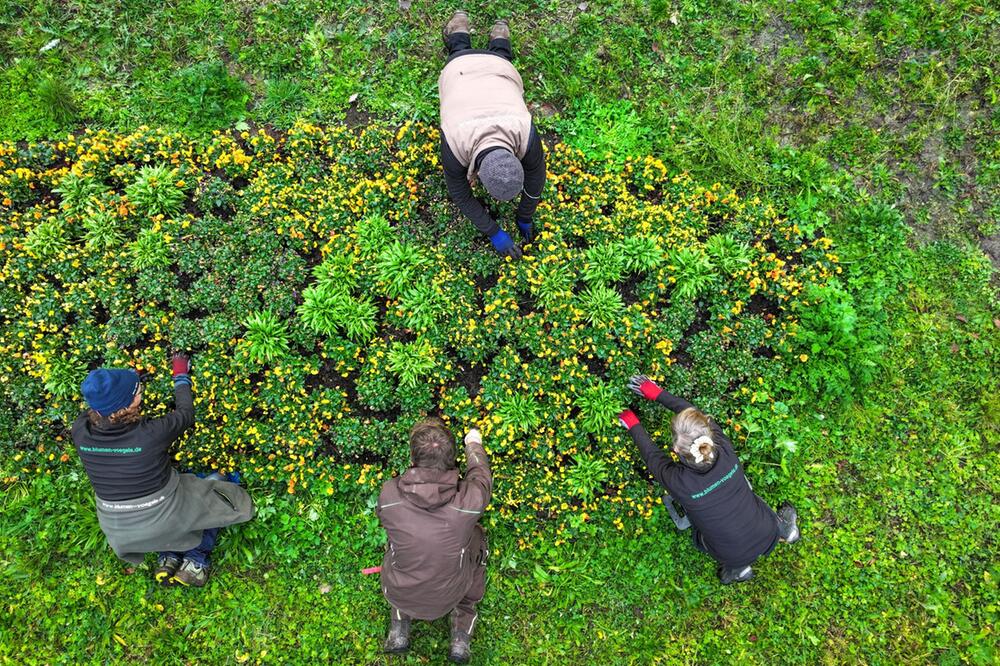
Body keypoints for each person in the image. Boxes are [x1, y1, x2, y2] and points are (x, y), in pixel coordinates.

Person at [71, 353, 254, 587]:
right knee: (219, 484)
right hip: (164, 514)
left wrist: (125, 382)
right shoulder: (150, 434)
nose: (141, 394)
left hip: (120, 528)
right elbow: (185, 415)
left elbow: (102, 403)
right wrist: (180, 375)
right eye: (138, 393)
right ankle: (196, 561)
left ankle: (167, 557)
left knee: (165, 517)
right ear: (126, 406)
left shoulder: (81, 431)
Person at [618, 375, 800, 584]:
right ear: (708, 432)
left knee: (711, 539)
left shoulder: (679, 482)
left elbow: (651, 454)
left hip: (731, 555)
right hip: (767, 529)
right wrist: (658, 393)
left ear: (676, 450)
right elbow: (694, 417)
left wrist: (631, 422)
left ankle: (738, 571)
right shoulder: (724, 448)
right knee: (753, 501)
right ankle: (786, 530)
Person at [376, 417, 491, 664]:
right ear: (452, 460)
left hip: (397, 591)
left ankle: (399, 629)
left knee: (396, 546)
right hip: (449, 598)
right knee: (477, 541)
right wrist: (473, 443)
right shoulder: (469, 502)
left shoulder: (389, 494)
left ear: (413, 459)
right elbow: (481, 477)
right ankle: (461, 637)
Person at [438, 11, 546, 260]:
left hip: (482, 68)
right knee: (466, 54)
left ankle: (485, 31)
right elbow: (460, 194)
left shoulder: (524, 131)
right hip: (462, 68)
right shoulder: (455, 143)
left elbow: (535, 177)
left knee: (498, 60)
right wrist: (493, 231)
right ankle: (469, 32)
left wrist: (525, 214)